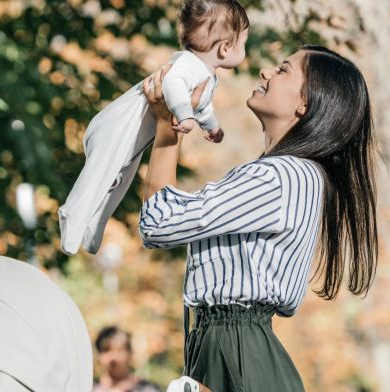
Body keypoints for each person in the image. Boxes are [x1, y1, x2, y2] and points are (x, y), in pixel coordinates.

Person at [138, 46, 378, 392]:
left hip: (238, 353)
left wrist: (169, 128)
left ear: (305, 103)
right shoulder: (287, 174)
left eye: (284, 69)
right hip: (235, 350)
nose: (267, 70)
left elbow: (160, 223)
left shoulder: (283, 176)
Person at [58, 0, 250, 256]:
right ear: (226, 48)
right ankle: (71, 214)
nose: (244, 48)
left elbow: (202, 106)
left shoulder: (206, 74)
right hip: (117, 125)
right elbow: (172, 85)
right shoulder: (187, 64)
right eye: (244, 43)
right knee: (100, 175)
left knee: (118, 182)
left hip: (135, 135)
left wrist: (211, 127)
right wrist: (184, 115)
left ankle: (94, 226)